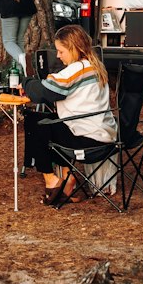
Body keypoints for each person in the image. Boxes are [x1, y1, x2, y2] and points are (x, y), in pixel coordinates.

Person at [22, 24, 117, 207]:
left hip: (86, 138)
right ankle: (67, 179)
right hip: (104, 134)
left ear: (74, 49)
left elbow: (42, 93)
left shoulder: (76, 70)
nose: (58, 55)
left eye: (61, 51)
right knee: (53, 125)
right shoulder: (95, 67)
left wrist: (26, 82)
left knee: (35, 122)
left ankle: (52, 180)